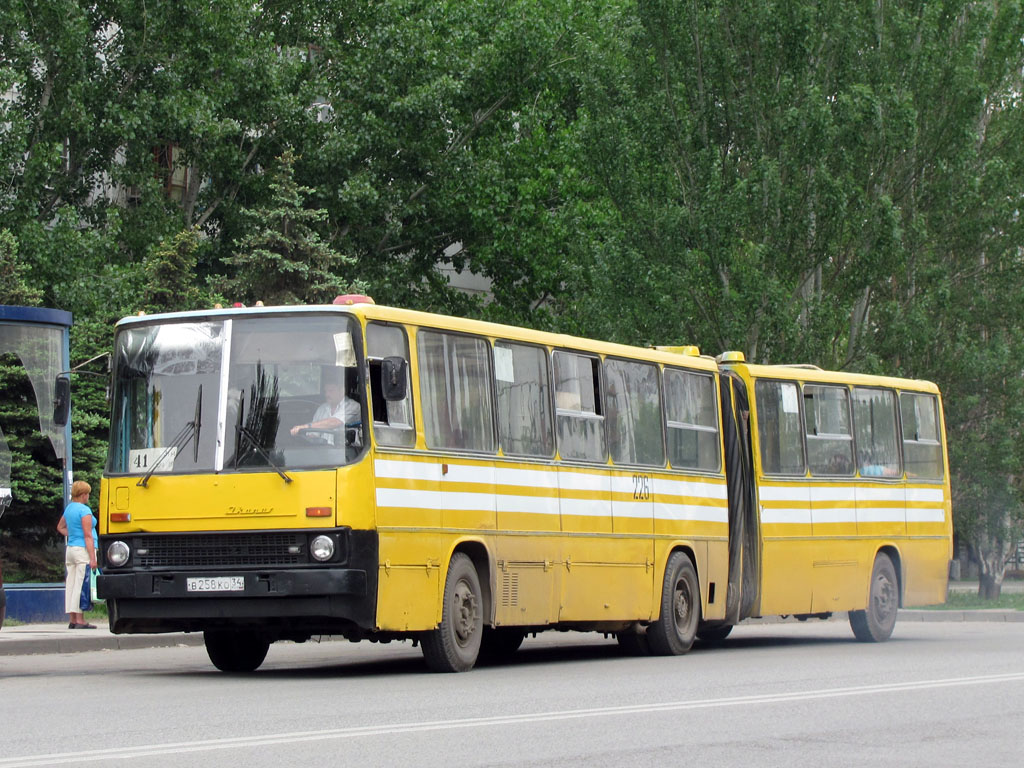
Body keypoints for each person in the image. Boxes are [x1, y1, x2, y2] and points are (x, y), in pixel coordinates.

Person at [56, 480, 97, 629]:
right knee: (81, 584)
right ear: (83, 495)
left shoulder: (69, 509)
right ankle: (80, 620)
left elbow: (60, 527)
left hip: (71, 549)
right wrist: (93, 558)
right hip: (82, 550)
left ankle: (72, 619)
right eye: (87, 494)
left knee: (72, 584)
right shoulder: (84, 511)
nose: (88, 497)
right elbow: (88, 535)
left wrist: (72, 534)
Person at [290, 372, 360, 442]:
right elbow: (314, 433)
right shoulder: (322, 408)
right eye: (325, 391)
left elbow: (334, 422)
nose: (327, 394)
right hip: (323, 451)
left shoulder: (353, 406)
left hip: (347, 451)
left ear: (342, 391)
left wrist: (305, 427)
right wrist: (305, 435)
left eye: (331, 391)